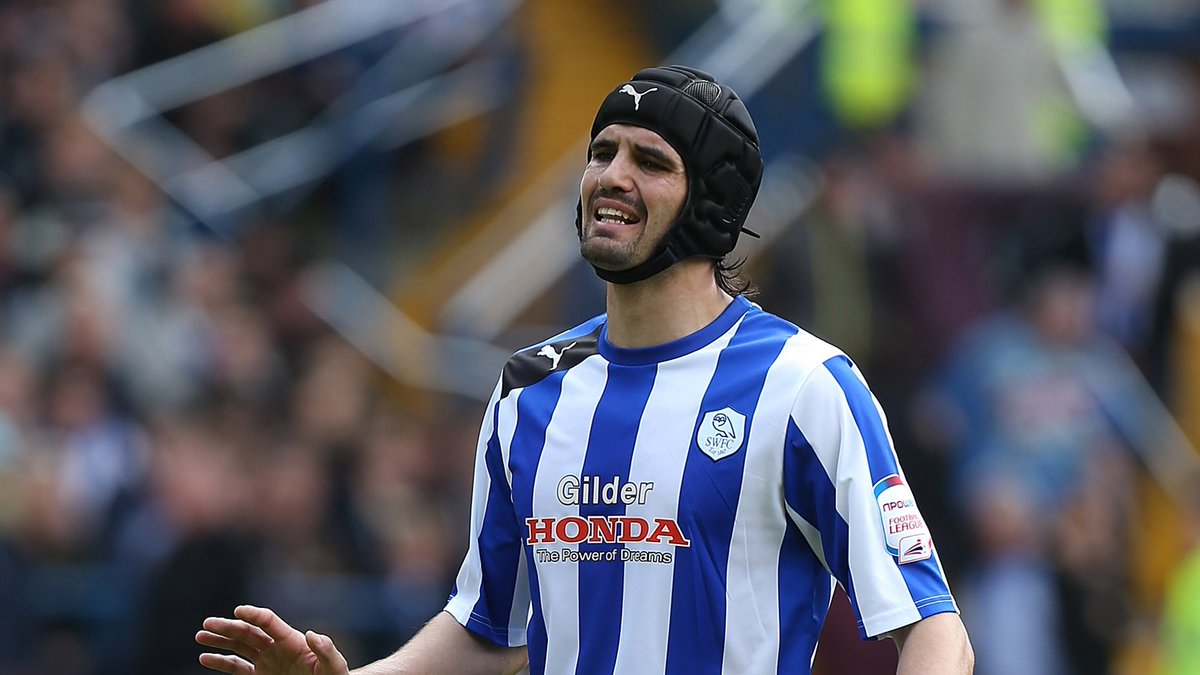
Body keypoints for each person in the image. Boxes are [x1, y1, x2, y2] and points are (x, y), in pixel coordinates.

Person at [196, 65, 973, 675]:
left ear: (712, 205)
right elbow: (491, 629)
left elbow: (934, 630)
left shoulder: (802, 383)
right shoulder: (530, 388)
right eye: (602, 151)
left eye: (650, 160)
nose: (611, 175)